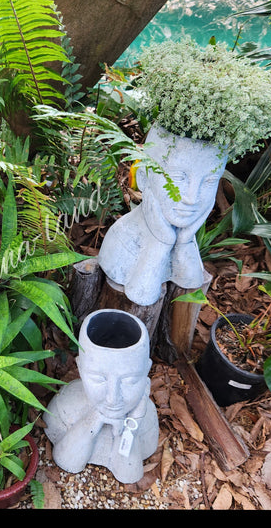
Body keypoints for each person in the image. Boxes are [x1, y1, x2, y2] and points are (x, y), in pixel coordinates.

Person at [98, 126, 227, 306]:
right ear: (144, 177)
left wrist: (184, 241)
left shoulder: (184, 236)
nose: (192, 198)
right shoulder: (121, 238)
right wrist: (162, 242)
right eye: (179, 178)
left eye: (210, 181)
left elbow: (192, 283)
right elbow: (142, 297)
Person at [44, 310, 158, 484]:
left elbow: (129, 475)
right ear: (80, 368)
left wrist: (130, 428)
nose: (112, 398)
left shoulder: (146, 415)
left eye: (129, 381)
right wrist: (92, 421)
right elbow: (67, 462)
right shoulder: (64, 405)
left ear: (146, 371)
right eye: (98, 379)